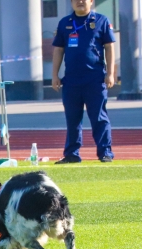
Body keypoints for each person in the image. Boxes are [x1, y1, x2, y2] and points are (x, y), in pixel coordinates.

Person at [52, 0, 116, 163]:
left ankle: (105, 152)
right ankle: (72, 154)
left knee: (99, 118)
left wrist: (110, 73)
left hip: (94, 79)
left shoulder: (101, 21)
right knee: (72, 119)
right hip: (72, 80)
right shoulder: (65, 23)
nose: (80, 2)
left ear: (91, 1)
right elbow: (58, 50)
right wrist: (54, 75)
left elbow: (109, 48)